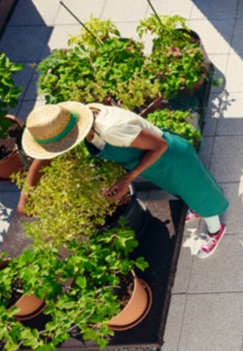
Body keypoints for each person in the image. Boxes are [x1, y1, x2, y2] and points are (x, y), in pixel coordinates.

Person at [19, 101, 228, 258]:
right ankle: (198, 208)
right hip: (154, 164)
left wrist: (127, 178)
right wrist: (26, 197)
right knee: (181, 190)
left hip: (172, 158)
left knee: (199, 192)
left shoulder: (110, 129)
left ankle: (215, 229)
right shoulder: (75, 118)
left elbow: (160, 146)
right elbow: (42, 161)